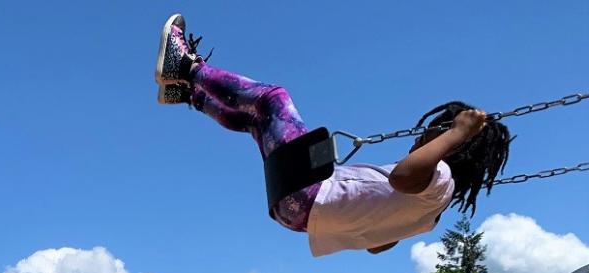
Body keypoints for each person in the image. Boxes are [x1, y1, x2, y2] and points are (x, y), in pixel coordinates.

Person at [154, 14, 511, 258]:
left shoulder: (437, 177)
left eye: (436, 131)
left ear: (456, 144)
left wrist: (458, 131)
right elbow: (377, 246)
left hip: (309, 192)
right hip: (296, 217)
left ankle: (186, 67)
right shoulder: (430, 217)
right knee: (255, 121)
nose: (423, 136)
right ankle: (190, 95)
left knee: (272, 98)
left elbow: (404, 176)